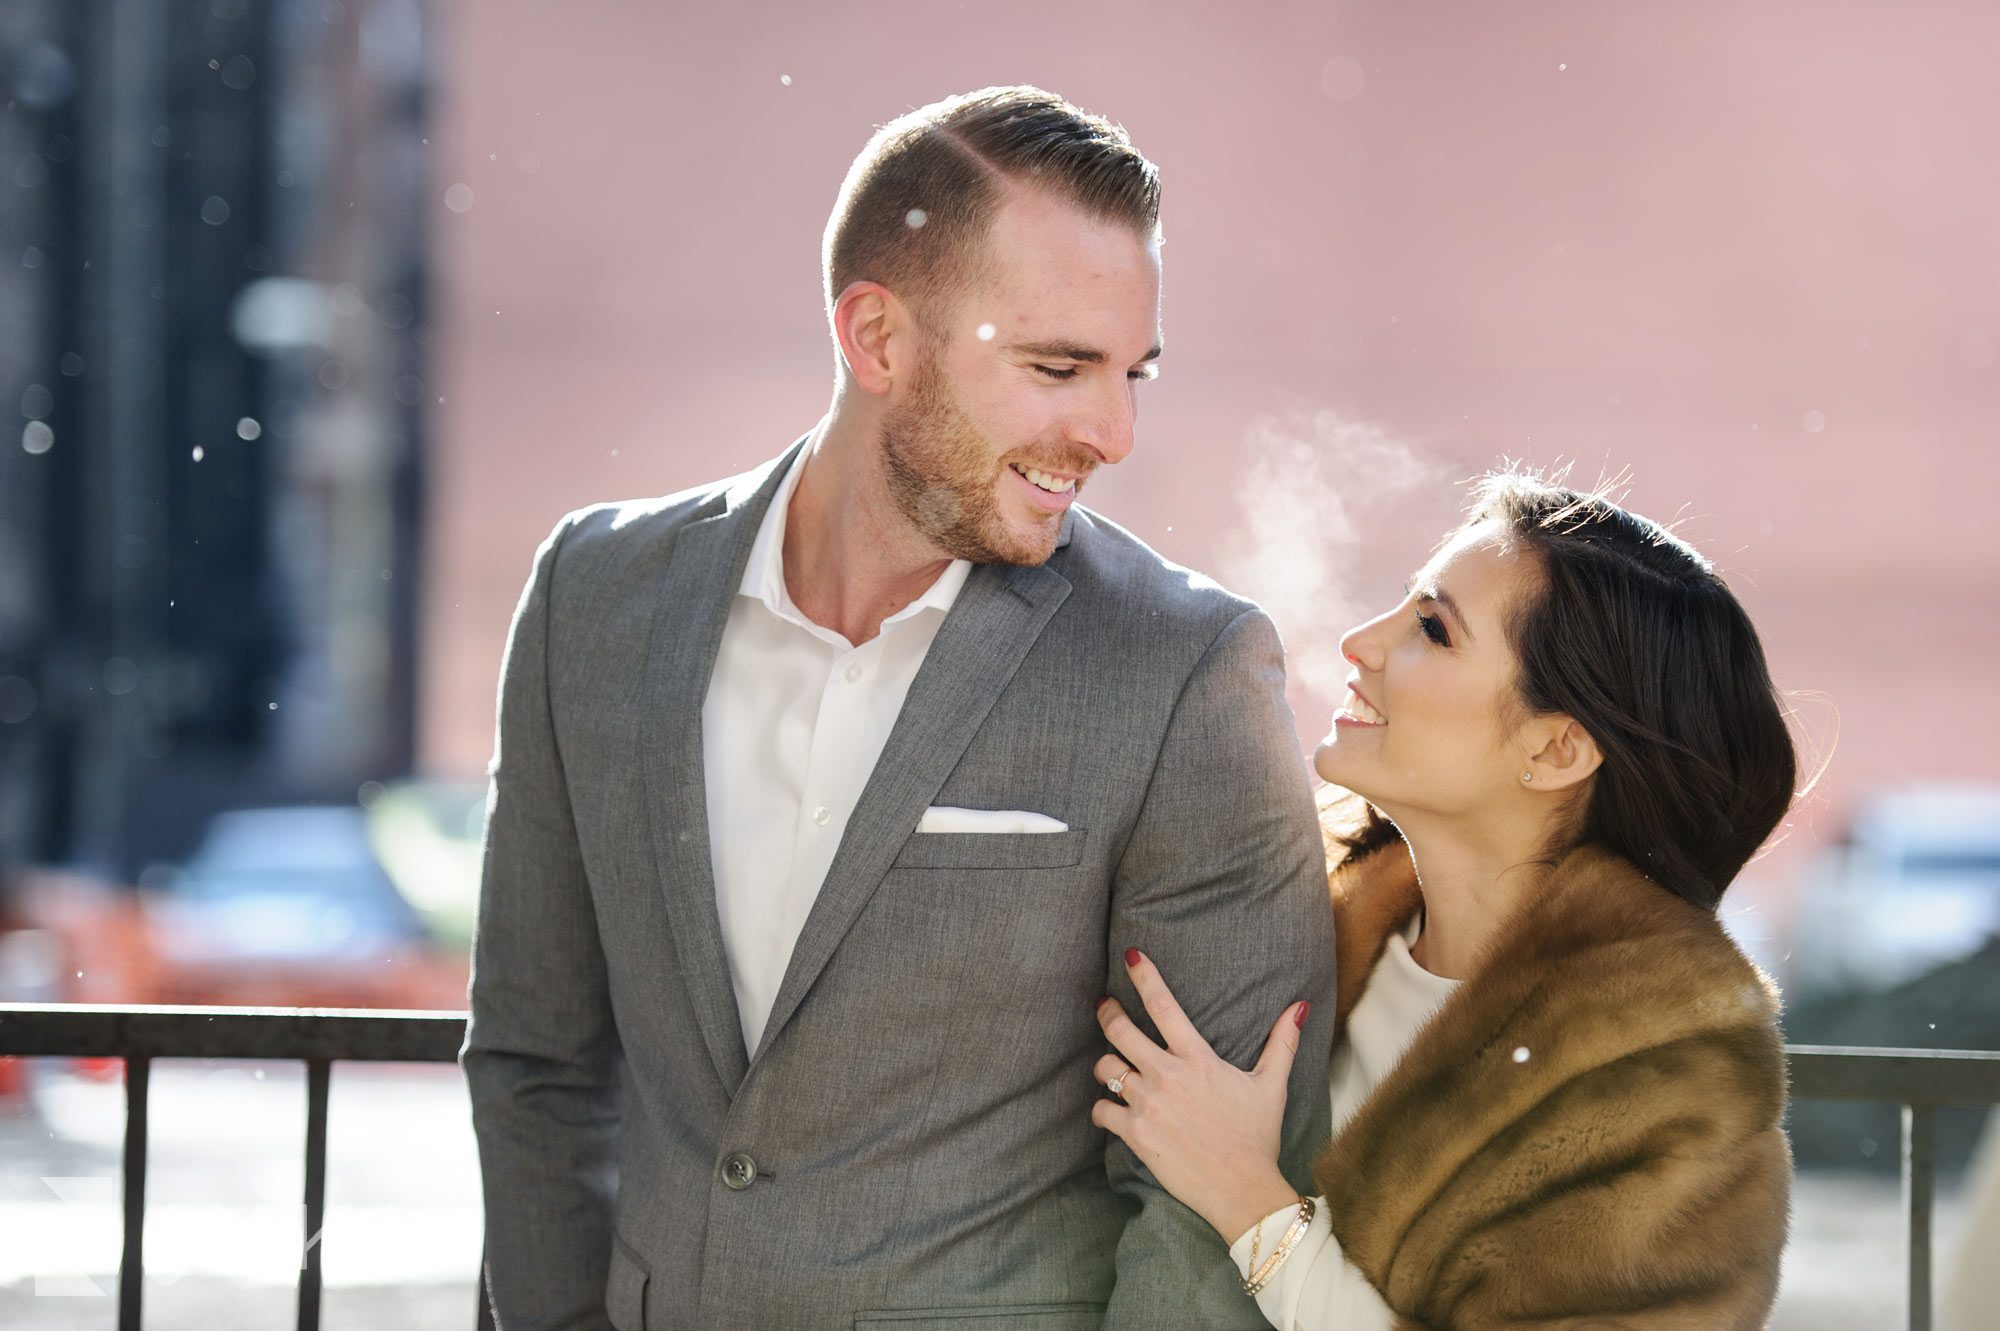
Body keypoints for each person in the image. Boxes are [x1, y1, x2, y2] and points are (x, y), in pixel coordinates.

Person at [461, 86, 1338, 1330]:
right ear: (875, 339)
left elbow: (1206, 1199)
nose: (1111, 430)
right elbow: (539, 1064)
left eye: (1129, 371)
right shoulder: (590, 601)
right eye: (1056, 366)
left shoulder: (1184, 667)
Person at [1092, 470, 1797, 1329]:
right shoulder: (1295, 923)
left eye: (1432, 628)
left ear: (1558, 746)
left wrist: (1250, 1203)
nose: (1360, 641)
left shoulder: (1669, 1079)